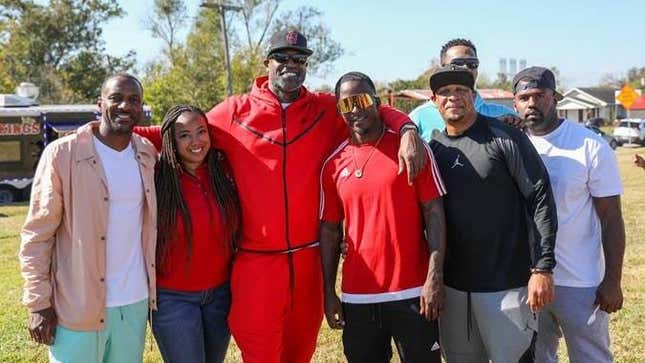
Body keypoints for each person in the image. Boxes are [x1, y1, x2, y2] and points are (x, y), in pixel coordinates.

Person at [134, 29, 426, 363]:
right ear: (266, 63)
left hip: (309, 263)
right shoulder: (233, 112)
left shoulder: (324, 108)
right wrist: (103, 130)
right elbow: (169, 132)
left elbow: (374, 108)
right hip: (257, 263)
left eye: (299, 59)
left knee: (299, 355)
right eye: (282, 58)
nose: (291, 65)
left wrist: (407, 129)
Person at [19, 74, 158, 363]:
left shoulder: (146, 154)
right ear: (100, 103)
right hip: (76, 305)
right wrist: (38, 303)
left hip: (133, 304)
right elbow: (37, 235)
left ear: (141, 107)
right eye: (116, 98)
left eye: (134, 100)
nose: (125, 105)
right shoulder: (62, 154)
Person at [428, 65, 558, 362]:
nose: (453, 98)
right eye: (445, 92)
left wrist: (542, 268)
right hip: (454, 290)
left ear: (473, 95)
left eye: (461, 90)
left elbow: (540, 199)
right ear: (434, 100)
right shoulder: (433, 148)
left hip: (507, 285)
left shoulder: (504, 136)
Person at [319, 72, 447, 363]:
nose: (355, 110)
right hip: (358, 297)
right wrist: (328, 292)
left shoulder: (412, 151)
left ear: (377, 103)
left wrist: (434, 277)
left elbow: (434, 213)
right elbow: (329, 231)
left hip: (414, 292)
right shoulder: (333, 163)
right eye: (345, 104)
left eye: (362, 100)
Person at [512, 66, 626, 363]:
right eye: (524, 97)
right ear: (515, 103)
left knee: (591, 357)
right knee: (537, 356)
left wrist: (612, 280)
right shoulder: (510, 144)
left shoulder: (589, 146)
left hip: (579, 280)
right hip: (526, 279)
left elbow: (611, 217)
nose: (532, 103)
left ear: (556, 97)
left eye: (540, 95)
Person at [151, 105, 241, 363]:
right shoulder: (157, 177)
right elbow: (127, 133)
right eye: (184, 135)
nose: (195, 141)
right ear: (170, 140)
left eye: (201, 131)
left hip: (220, 296)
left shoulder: (223, 172)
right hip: (173, 299)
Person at [410, 38, 517, 141]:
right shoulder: (418, 118)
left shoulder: (505, 116)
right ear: (442, 68)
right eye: (457, 63)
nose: (466, 68)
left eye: (472, 64)